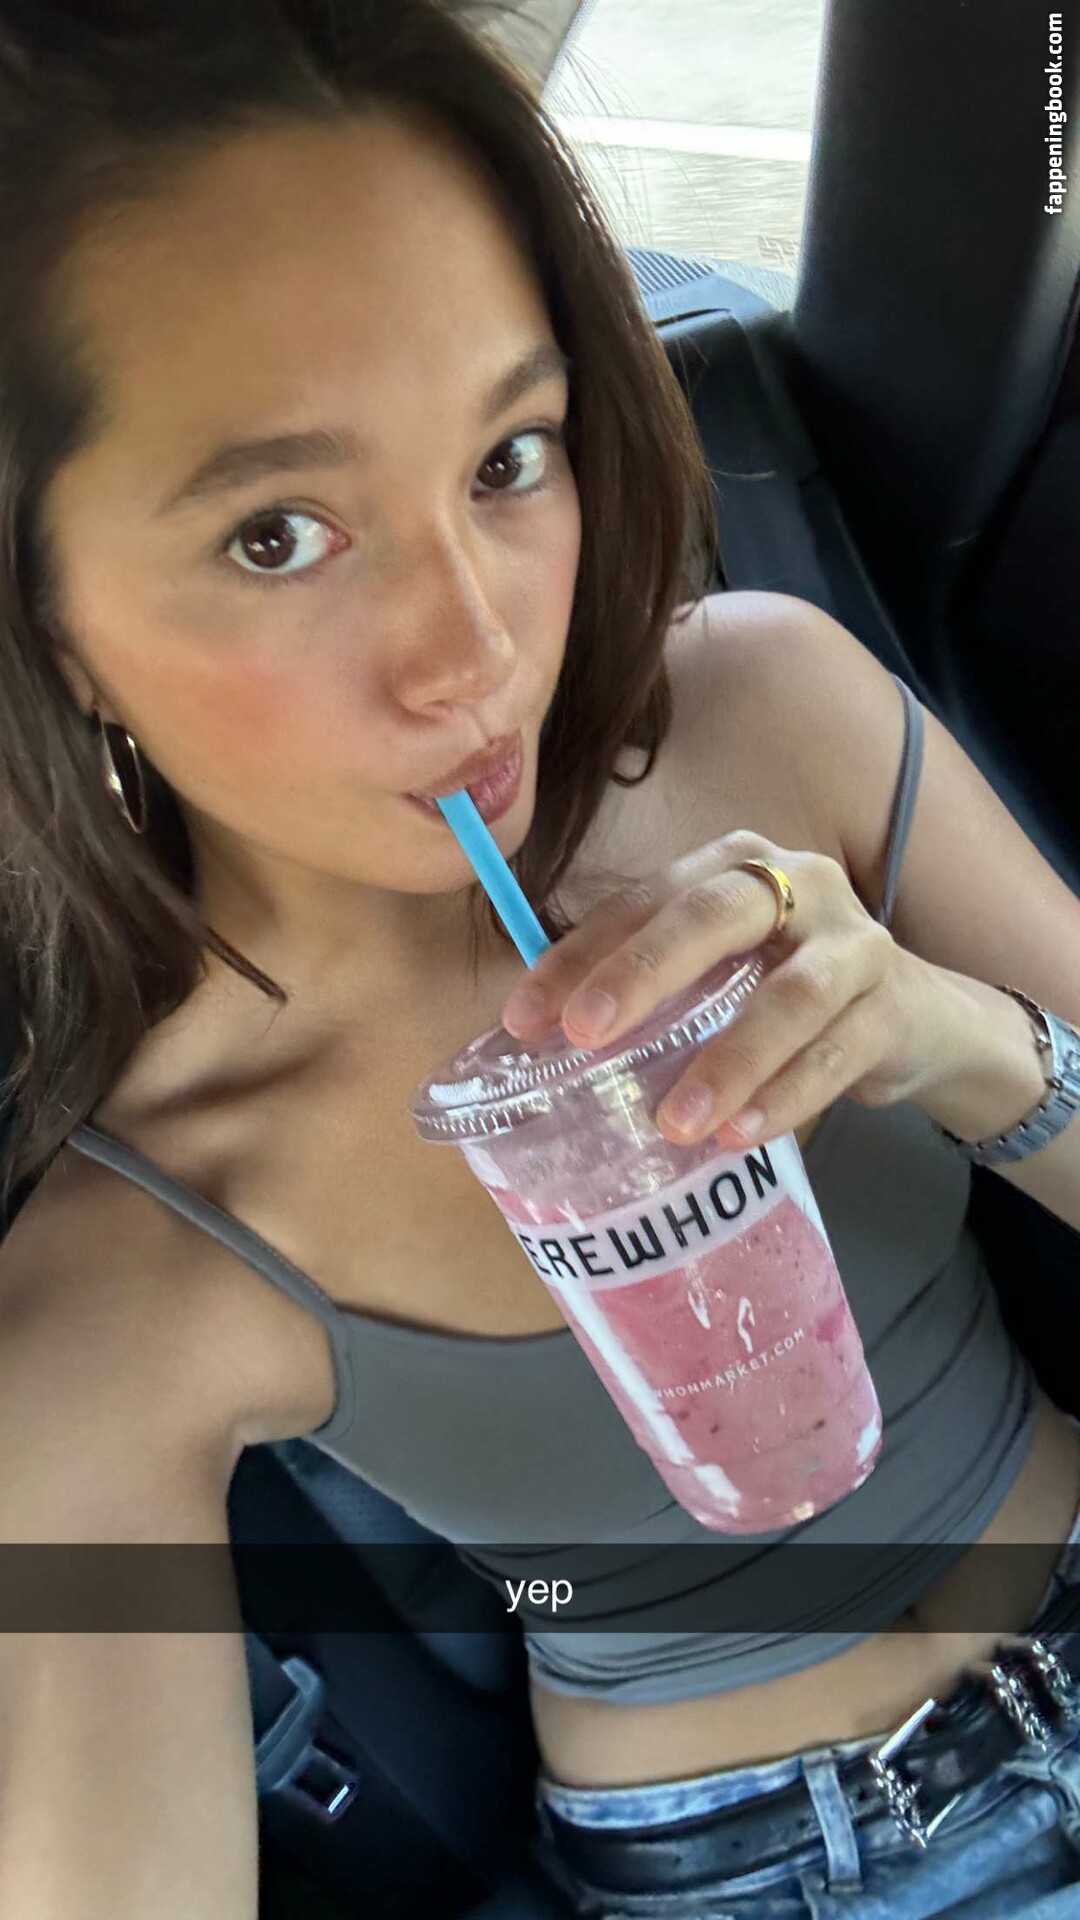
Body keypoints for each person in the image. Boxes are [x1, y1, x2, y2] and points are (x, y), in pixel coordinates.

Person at [1, 3, 1080, 1916]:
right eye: (279, 536)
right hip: (778, 1868)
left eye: (509, 457)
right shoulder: (137, 1262)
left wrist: (949, 1037)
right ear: (54, 623)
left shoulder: (768, 714)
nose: (476, 653)